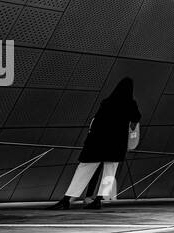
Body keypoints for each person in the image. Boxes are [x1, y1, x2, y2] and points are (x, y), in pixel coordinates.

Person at [49, 77, 141, 210]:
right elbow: (136, 118)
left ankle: (67, 199)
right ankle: (98, 200)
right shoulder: (130, 103)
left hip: (97, 141)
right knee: (110, 171)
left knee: (84, 168)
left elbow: (96, 120)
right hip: (115, 143)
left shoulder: (107, 102)